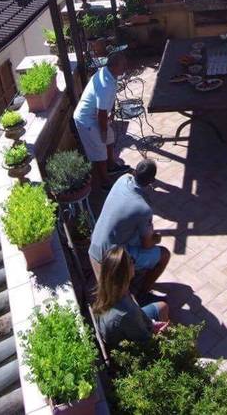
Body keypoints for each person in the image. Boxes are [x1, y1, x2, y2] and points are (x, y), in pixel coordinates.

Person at [89, 159, 170, 298]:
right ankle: (143, 294)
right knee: (164, 255)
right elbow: (147, 245)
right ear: (152, 181)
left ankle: (134, 277)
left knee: (136, 234)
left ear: (134, 171)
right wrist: (156, 239)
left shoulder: (122, 179)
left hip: (95, 242)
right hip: (109, 257)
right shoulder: (143, 209)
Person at [92, 246, 169, 349]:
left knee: (162, 307)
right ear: (125, 273)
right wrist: (162, 334)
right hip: (126, 346)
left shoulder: (108, 290)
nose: (134, 262)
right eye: (131, 260)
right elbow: (147, 344)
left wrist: (151, 323)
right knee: (166, 322)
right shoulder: (127, 313)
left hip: (121, 330)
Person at [73, 51, 130, 189]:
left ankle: (111, 166)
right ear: (115, 66)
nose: (126, 68)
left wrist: (111, 116)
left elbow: (106, 104)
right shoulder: (105, 84)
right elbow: (101, 113)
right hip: (86, 120)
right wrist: (103, 131)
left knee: (109, 138)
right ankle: (105, 183)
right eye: (123, 65)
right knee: (100, 151)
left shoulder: (108, 73)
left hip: (97, 116)